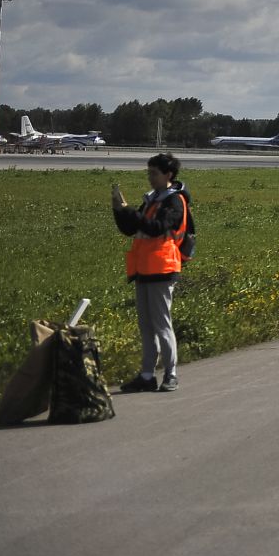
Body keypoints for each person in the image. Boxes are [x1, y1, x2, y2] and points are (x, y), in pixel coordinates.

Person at [111, 152, 191, 393]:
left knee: (162, 325)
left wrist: (130, 211)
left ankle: (171, 374)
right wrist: (119, 210)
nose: (150, 177)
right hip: (144, 268)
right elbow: (131, 229)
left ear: (168, 175)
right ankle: (147, 375)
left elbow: (157, 228)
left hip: (163, 269)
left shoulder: (174, 201)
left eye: (154, 173)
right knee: (146, 326)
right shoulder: (152, 199)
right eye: (149, 172)